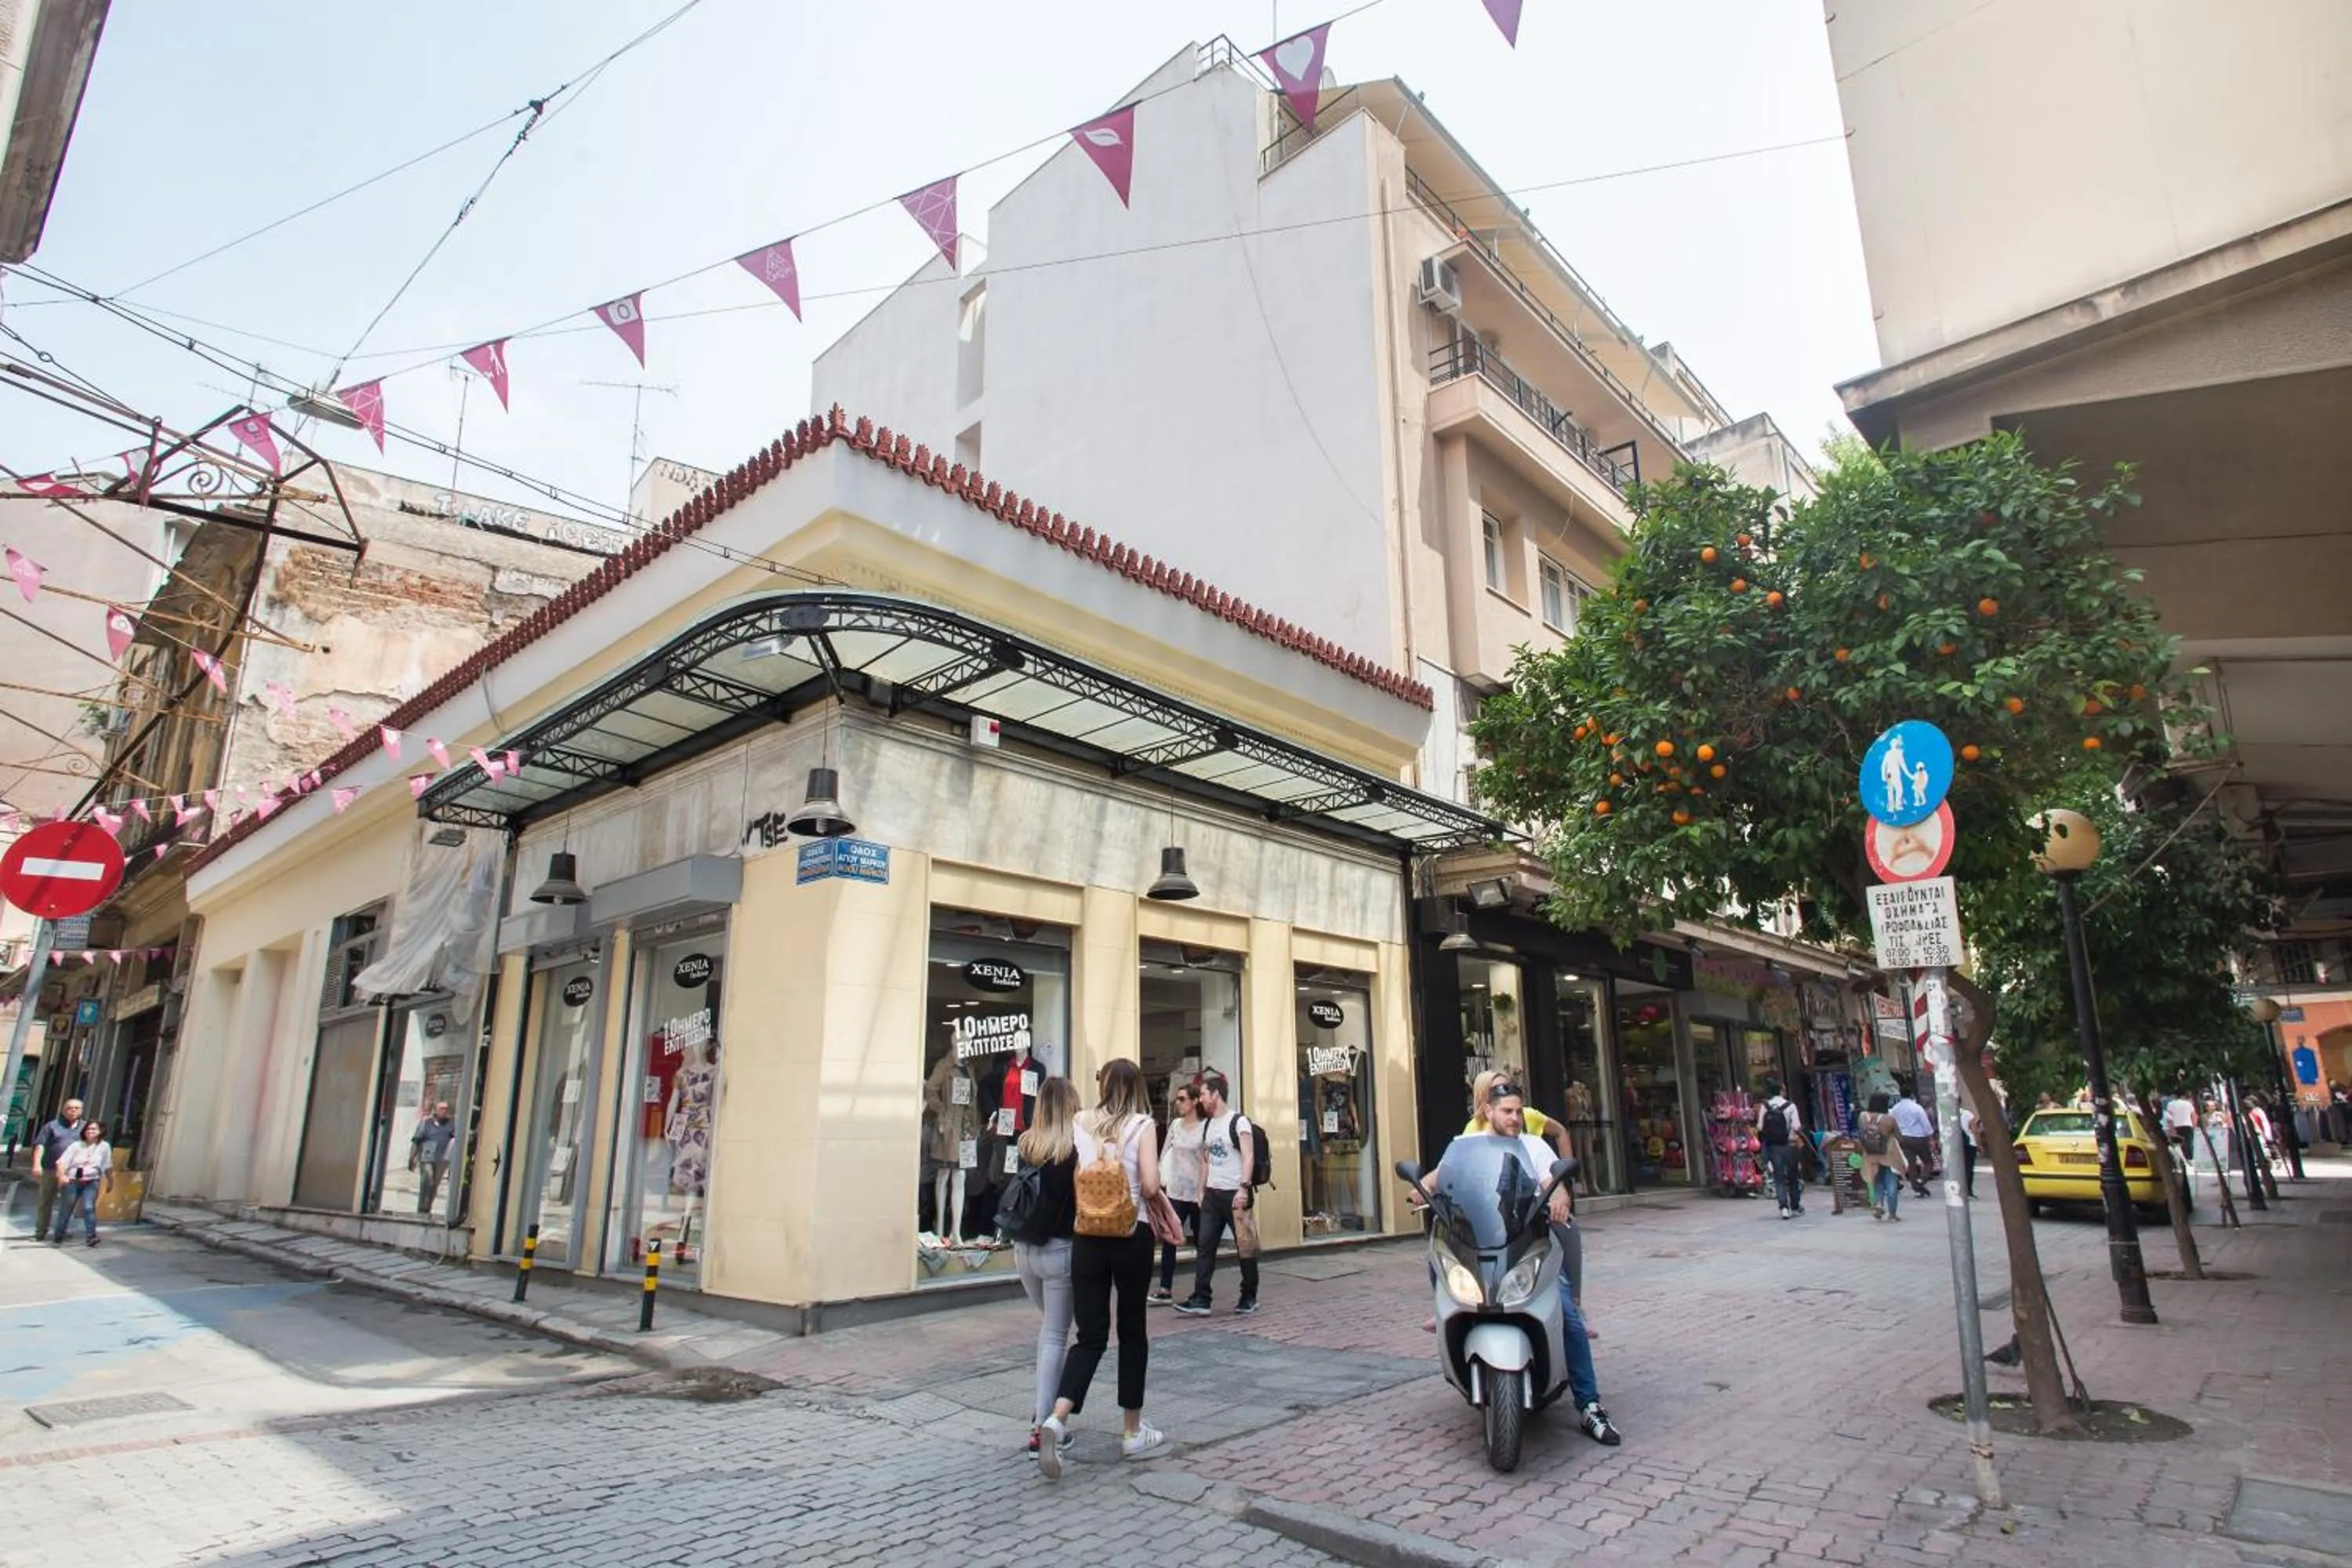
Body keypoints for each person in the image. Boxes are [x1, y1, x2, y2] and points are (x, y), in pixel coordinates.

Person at [1419, 1080, 1620, 1446]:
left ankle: (1590, 1404)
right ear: (1488, 1112)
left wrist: (1559, 1196)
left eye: (1517, 1111)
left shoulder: (1533, 1146)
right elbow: (1439, 1178)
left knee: (1568, 1317)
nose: (1514, 1118)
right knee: (1439, 1261)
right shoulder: (1465, 1147)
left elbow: (1552, 1179)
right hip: (1486, 1247)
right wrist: (1419, 1187)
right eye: (1507, 1112)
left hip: (1529, 1247)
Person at [1036, 1058, 1167, 1475]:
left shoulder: (1080, 1120)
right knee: (1132, 1332)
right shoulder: (1143, 1125)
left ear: (1105, 1085)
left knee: (1089, 1336)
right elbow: (1148, 1184)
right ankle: (1132, 1432)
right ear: (1137, 1087)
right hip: (1131, 1234)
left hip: (1087, 1236)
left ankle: (1057, 1417)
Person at [1010, 1076, 1080, 1457]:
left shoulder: (1027, 1144)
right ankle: (1045, 1425)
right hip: (1059, 1249)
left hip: (1025, 1250)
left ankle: (1043, 1413)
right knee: (1056, 1334)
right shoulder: (1073, 1149)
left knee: (1049, 1331)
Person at [1175, 1069, 1258, 1318]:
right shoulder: (1208, 1124)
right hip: (1212, 1194)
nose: (1200, 1099)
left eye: (1202, 1094)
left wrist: (1244, 1187)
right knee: (1205, 1246)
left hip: (1235, 1194)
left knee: (1245, 1247)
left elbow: (1249, 1155)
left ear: (1216, 1094)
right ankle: (1201, 1297)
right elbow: (1206, 1158)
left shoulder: (1238, 1121)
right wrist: (1201, 1189)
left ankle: (1249, 1295)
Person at [1149, 1081, 1205, 1305]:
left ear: (1194, 1102)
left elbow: (1207, 1160)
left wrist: (1204, 1189)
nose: (1178, 1103)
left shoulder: (1205, 1127)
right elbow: (1165, 1154)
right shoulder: (1175, 1126)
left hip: (1198, 1192)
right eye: (1177, 1099)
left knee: (1203, 1242)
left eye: (1183, 1099)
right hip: (1176, 1190)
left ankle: (1202, 1290)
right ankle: (1165, 1288)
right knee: (1170, 1238)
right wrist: (1161, 1181)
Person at [49, 1119, 112, 1246]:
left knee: (89, 1208)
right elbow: (62, 1163)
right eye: (88, 1129)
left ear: (101, 1131)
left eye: (94, 1129)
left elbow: (107, 1165)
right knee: (66, 1209)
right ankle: (59, 1234)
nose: (90, 1131)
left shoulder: (105, 1147)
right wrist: (62, 1177)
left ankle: (91, 1236)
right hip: (72, 1181)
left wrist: (111, 1181)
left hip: (91, 1181)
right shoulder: (76, 1146)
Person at [30, 1098, 85, 1240]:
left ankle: (62, 1231)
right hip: (50, 1169)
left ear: (81, 1111)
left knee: (68, 1203)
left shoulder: (85, 1128)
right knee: (45, 1201)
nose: (72, 1111)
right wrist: (37, 1165)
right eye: (69, 1108)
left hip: (71, 1172)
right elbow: (40, 1145)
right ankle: (40, 1232)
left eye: (76, 1108)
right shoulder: (52, 1126)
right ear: (63, 1110)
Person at [1754, 1076, 1804, 1218]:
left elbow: (1760, 1127)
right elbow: (1796, 1126)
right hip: (1790, 1145)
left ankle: (1783, 1208)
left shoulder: (1765, 1106)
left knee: (1779, 1177)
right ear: (1782, 1090)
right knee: (1793, 1176)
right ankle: (1795, 1205)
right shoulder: (1790, 1106)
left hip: (1774, 1147)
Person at [1859, 1093, 1907, 1221]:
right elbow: (1899, 1137)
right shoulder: (1889, 1119)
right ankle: (1892, 1214)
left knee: (1876, 1182)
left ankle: (1877, 1206)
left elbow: (1862, 1133)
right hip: (1888, 1156)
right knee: (1891, 1184)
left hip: (1870, 1155)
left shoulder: (1863, 1117)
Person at [409, 1101, 456, 1215]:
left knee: (435, 1184)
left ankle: (427, 1207)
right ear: (436, 1110)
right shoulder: (426, 1123)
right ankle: (422, 1207)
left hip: (441, 1158)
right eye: (441, 1109)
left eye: (446, 1109)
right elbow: (416, 1140)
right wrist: (412, 1158)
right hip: (427, 1157)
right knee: (427, 1179)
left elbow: (455, 1140)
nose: (444, 1111)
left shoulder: (451, 1124)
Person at [1889, 1083, 1936, 1198]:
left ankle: (1917, 1187)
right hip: (1919, 1137)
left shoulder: (1895, 1109)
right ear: (1911, 1094)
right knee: (1928, 1161)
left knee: (1911, 1164)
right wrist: (1931, 1138)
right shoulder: (1917, 1108)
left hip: (1904, 1138)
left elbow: (1892, 1123)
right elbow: (1925, 1124)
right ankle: (1922, 1179)